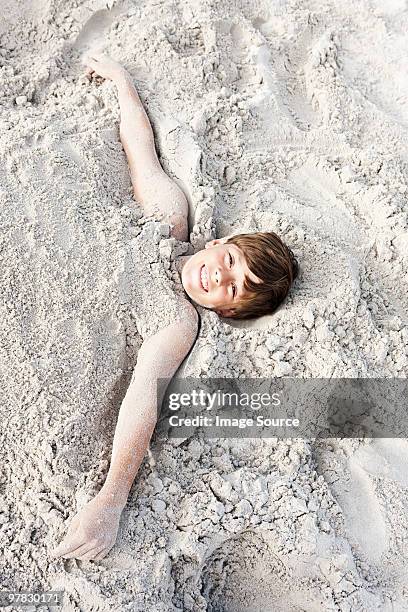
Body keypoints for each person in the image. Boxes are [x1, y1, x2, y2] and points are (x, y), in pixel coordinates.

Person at [50, 55, 298, 562]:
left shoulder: (179, 321)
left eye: (231, 288)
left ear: (227, 313)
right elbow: (139, 148)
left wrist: (112, 499)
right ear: (222, 241)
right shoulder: (168, 216)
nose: (217, 275)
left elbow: (144, 395)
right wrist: (122, 81)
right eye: (229, 260)